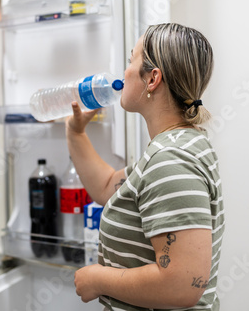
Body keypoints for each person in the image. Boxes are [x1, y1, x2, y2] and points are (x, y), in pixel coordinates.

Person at [67, 23, 224, 310]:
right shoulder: (177, 144)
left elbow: (183, 284)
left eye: (131, 61)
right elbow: (106, 188)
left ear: (152, 79)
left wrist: (99, 278)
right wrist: (75, 132)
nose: (124, 72)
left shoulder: (171, 160)